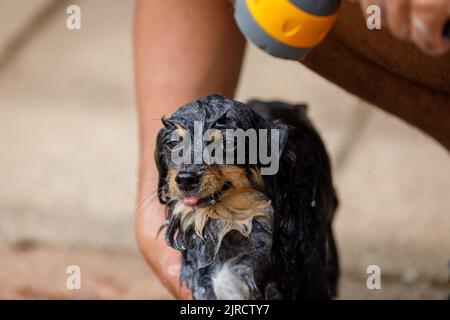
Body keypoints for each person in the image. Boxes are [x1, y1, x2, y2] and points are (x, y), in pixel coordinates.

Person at [134, 0, 450, 299]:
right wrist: (153, 218)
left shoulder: (288, 198)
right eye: (178, 147)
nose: (188, 171)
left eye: (221, 150)